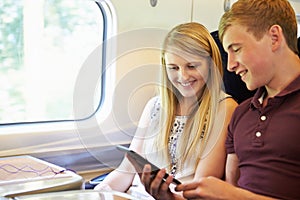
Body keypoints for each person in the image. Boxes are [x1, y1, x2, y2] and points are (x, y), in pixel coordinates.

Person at [142, 0, 300, 199]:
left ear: (274, 38)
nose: (230, 66)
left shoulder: (227, 108)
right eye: (227, 53)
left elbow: (230, 194)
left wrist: (231, 195)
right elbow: (231, 190)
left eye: (236, 49)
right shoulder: (243, 114)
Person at [94, 22, 237, 199]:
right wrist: (98, 191)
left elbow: (201, 186)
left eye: (192, 66)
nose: (183, 76)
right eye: (174, 68)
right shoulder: (155, 106)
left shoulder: (224, 108)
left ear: (210, 64)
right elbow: (126, 170)